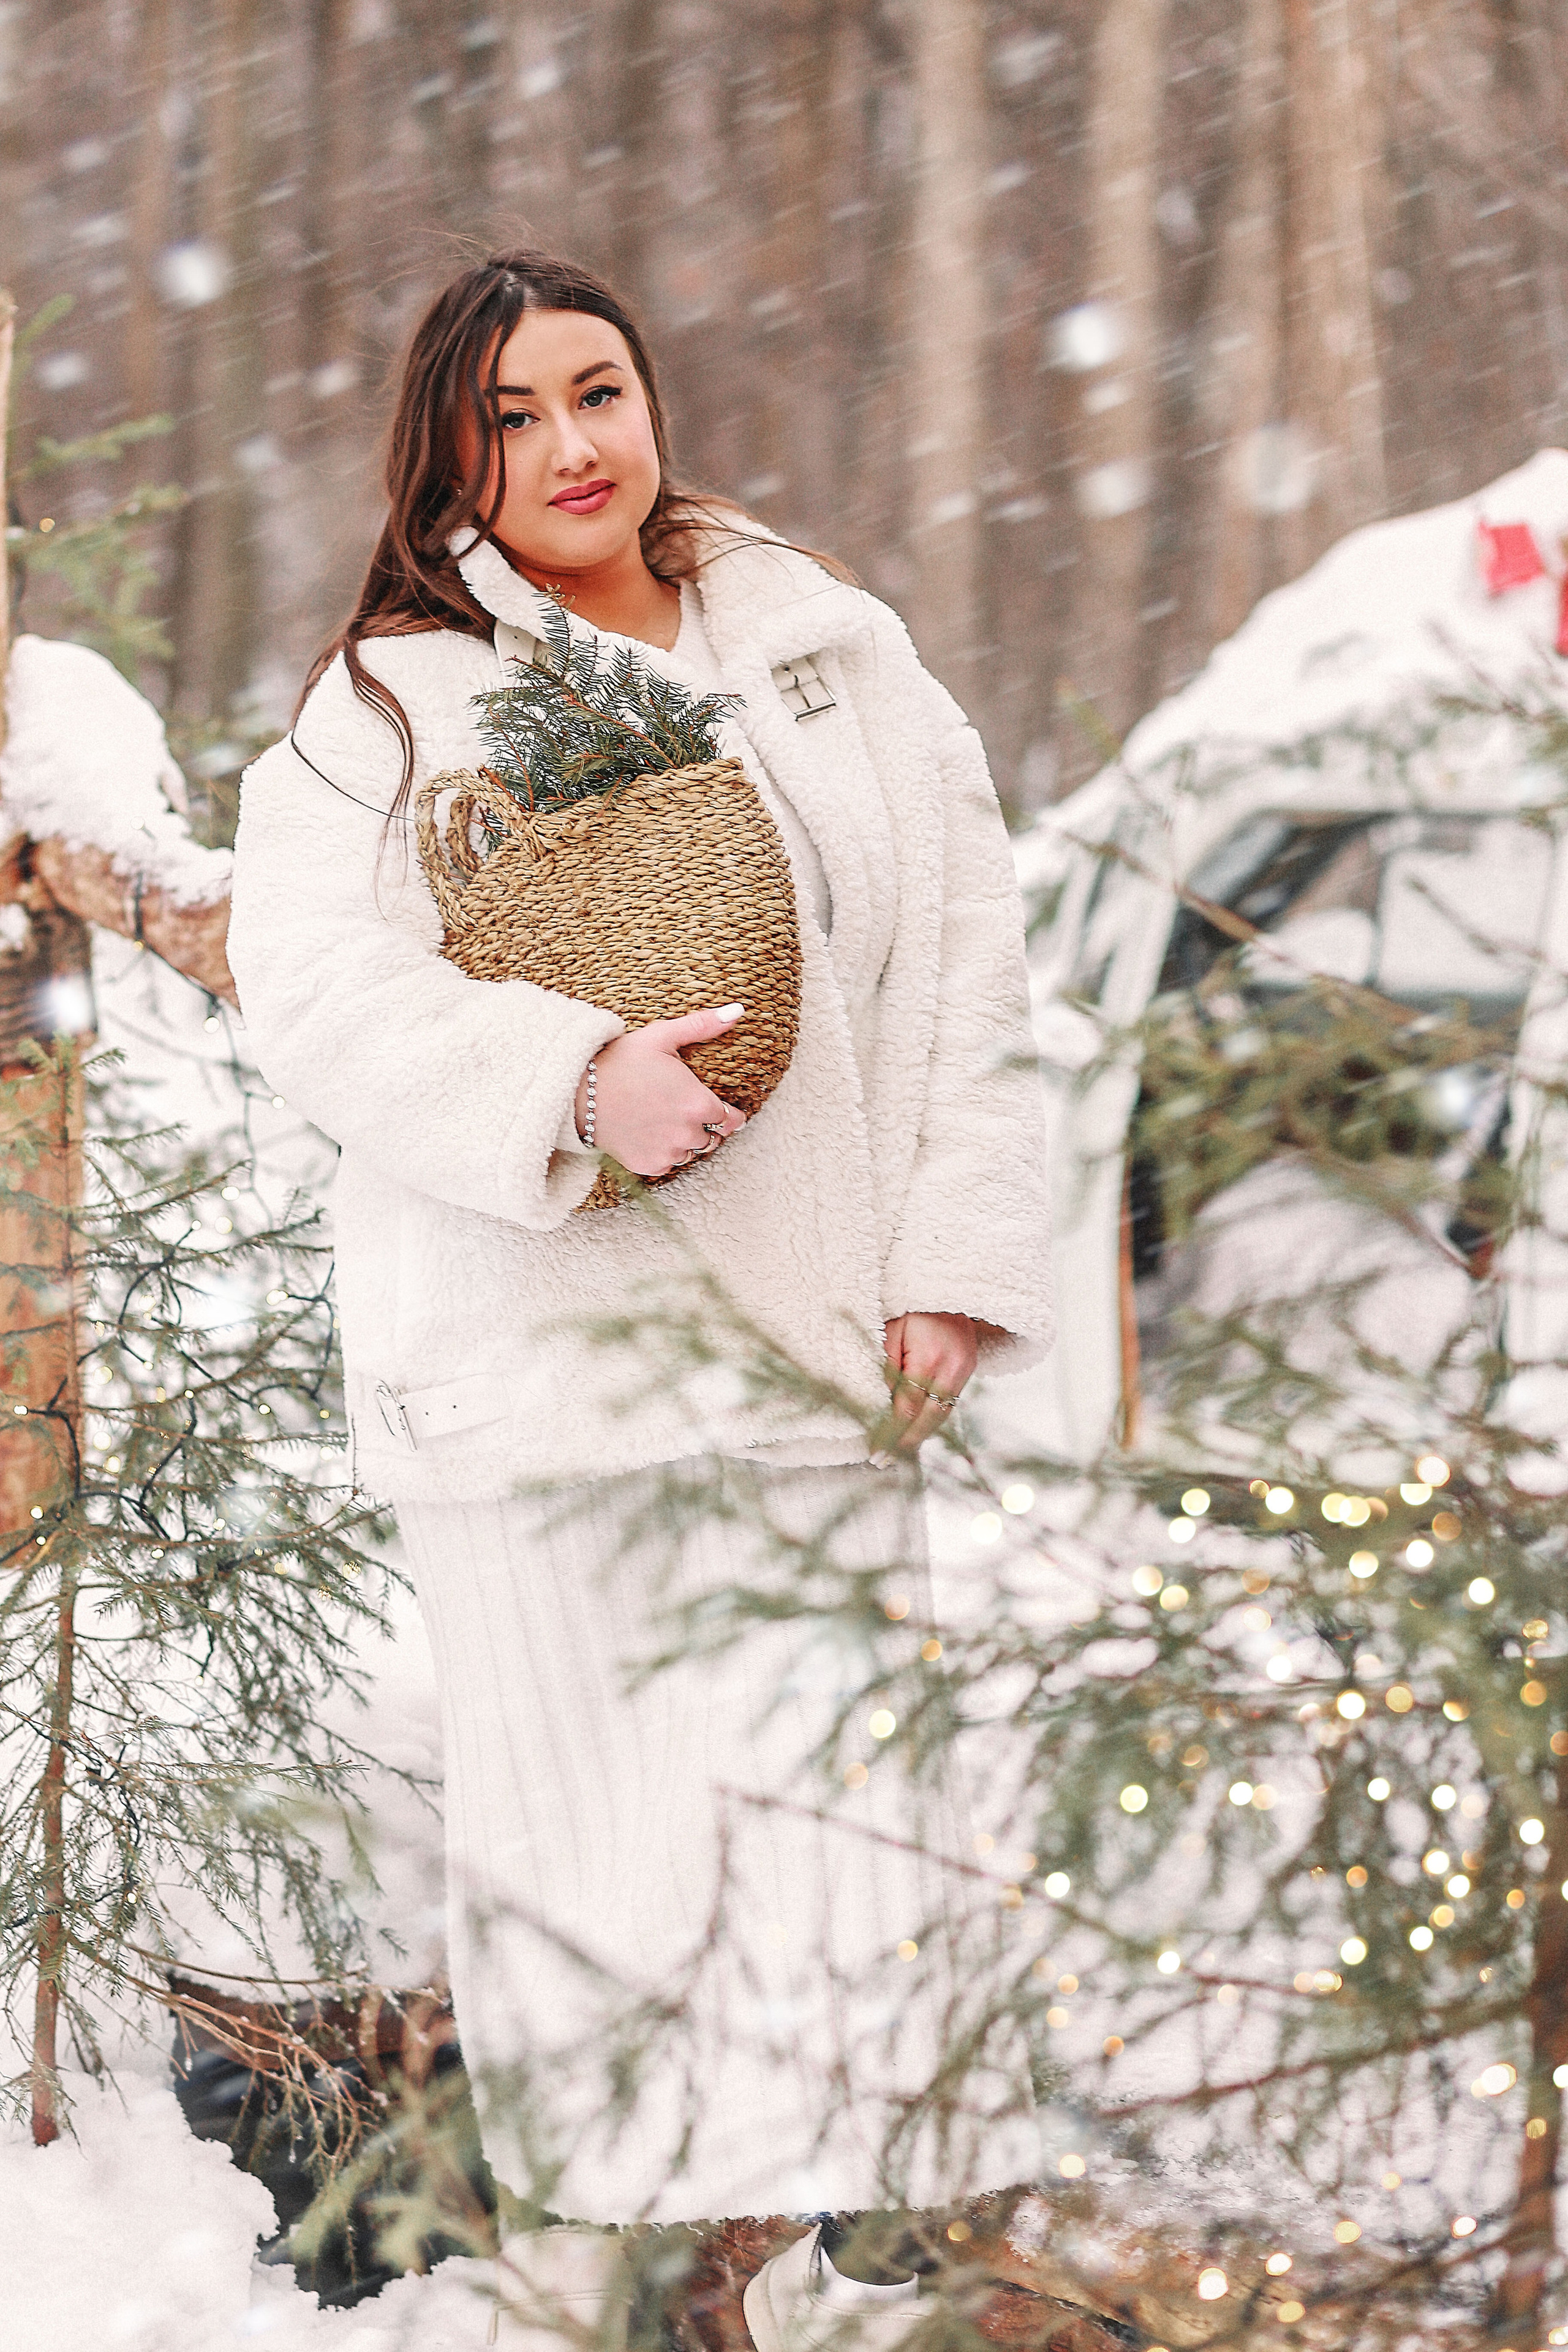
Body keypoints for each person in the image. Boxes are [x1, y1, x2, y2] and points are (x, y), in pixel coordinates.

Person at [227, 248, 1053, 2346]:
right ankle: (610, 2295)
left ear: (654, 399)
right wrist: (565, 1080)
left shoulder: (826, 650)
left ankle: (855, 2287)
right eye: (510, 417)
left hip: (817, 1352)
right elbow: (315, 994)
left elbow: (961, 962)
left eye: (598, 391)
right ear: (447, 454)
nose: (571, 447)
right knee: (606, 1876)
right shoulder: (389, 708)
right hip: (545, 1368)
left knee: (857, 1855)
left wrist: (955, 1260)